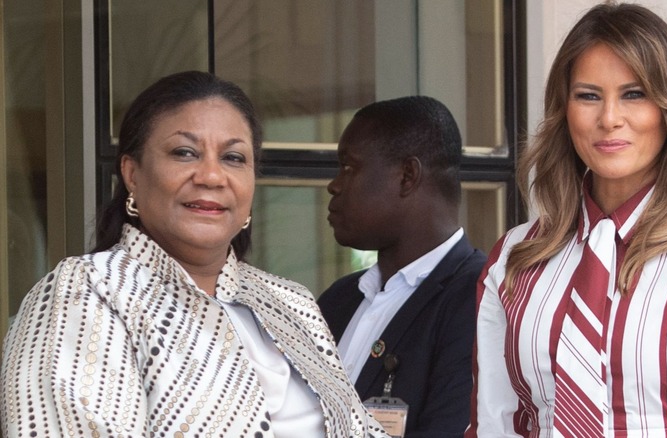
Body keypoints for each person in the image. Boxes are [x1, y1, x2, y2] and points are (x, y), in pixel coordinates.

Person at [0, 71, 388, 438]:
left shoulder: (292, 303)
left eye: (234, 158)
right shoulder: (87, 292)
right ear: (132, 174)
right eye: (185, 153)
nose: (211, 176)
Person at [466, 2, 667, 437]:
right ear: (565, 110)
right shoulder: (515, 257)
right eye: (588, 96)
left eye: (634, 94)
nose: (609, 119)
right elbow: (492, 425)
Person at [318, 96, 487, 437]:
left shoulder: (479, 298)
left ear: (407, 176)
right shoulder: (338, 300)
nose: (333, 185)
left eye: (349, 167)